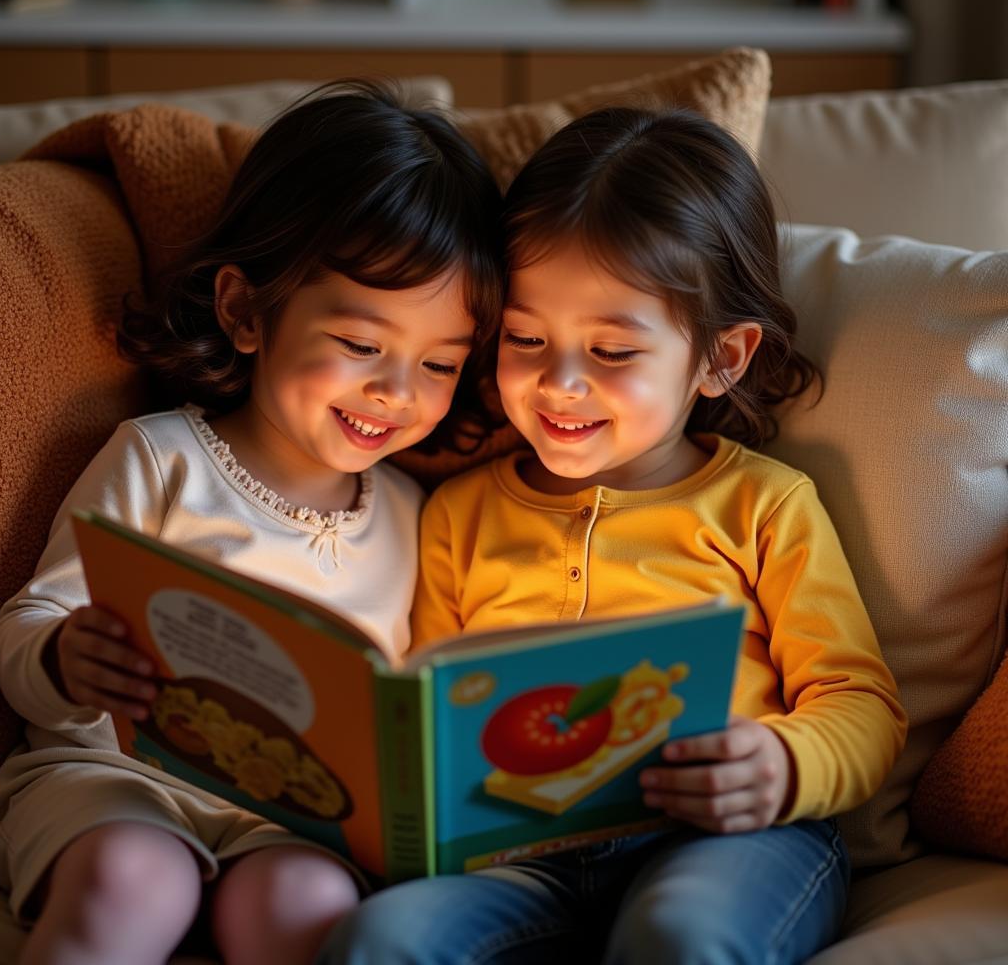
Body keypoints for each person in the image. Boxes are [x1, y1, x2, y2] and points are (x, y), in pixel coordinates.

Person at [319, 106, 908, 965]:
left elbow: (862, 703)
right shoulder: (457, 514)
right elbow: (433, 708)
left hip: (727, 839)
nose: (558, 383)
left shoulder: (765, 504)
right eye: (526, 337)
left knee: (680, 937)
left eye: (612, 352)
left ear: (721, 359)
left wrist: (781, 762)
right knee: (381, 940)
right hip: (516, 857)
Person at [0, 81, 503, 965]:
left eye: (440, 363)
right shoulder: (160, 460)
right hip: (109, 781)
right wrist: (64, 658)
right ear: (245, 311)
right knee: (133, 876)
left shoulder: (417, 514)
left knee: (310, 903)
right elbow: (29, 622)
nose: (396, 392)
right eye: (360, 344)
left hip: (290, 821)